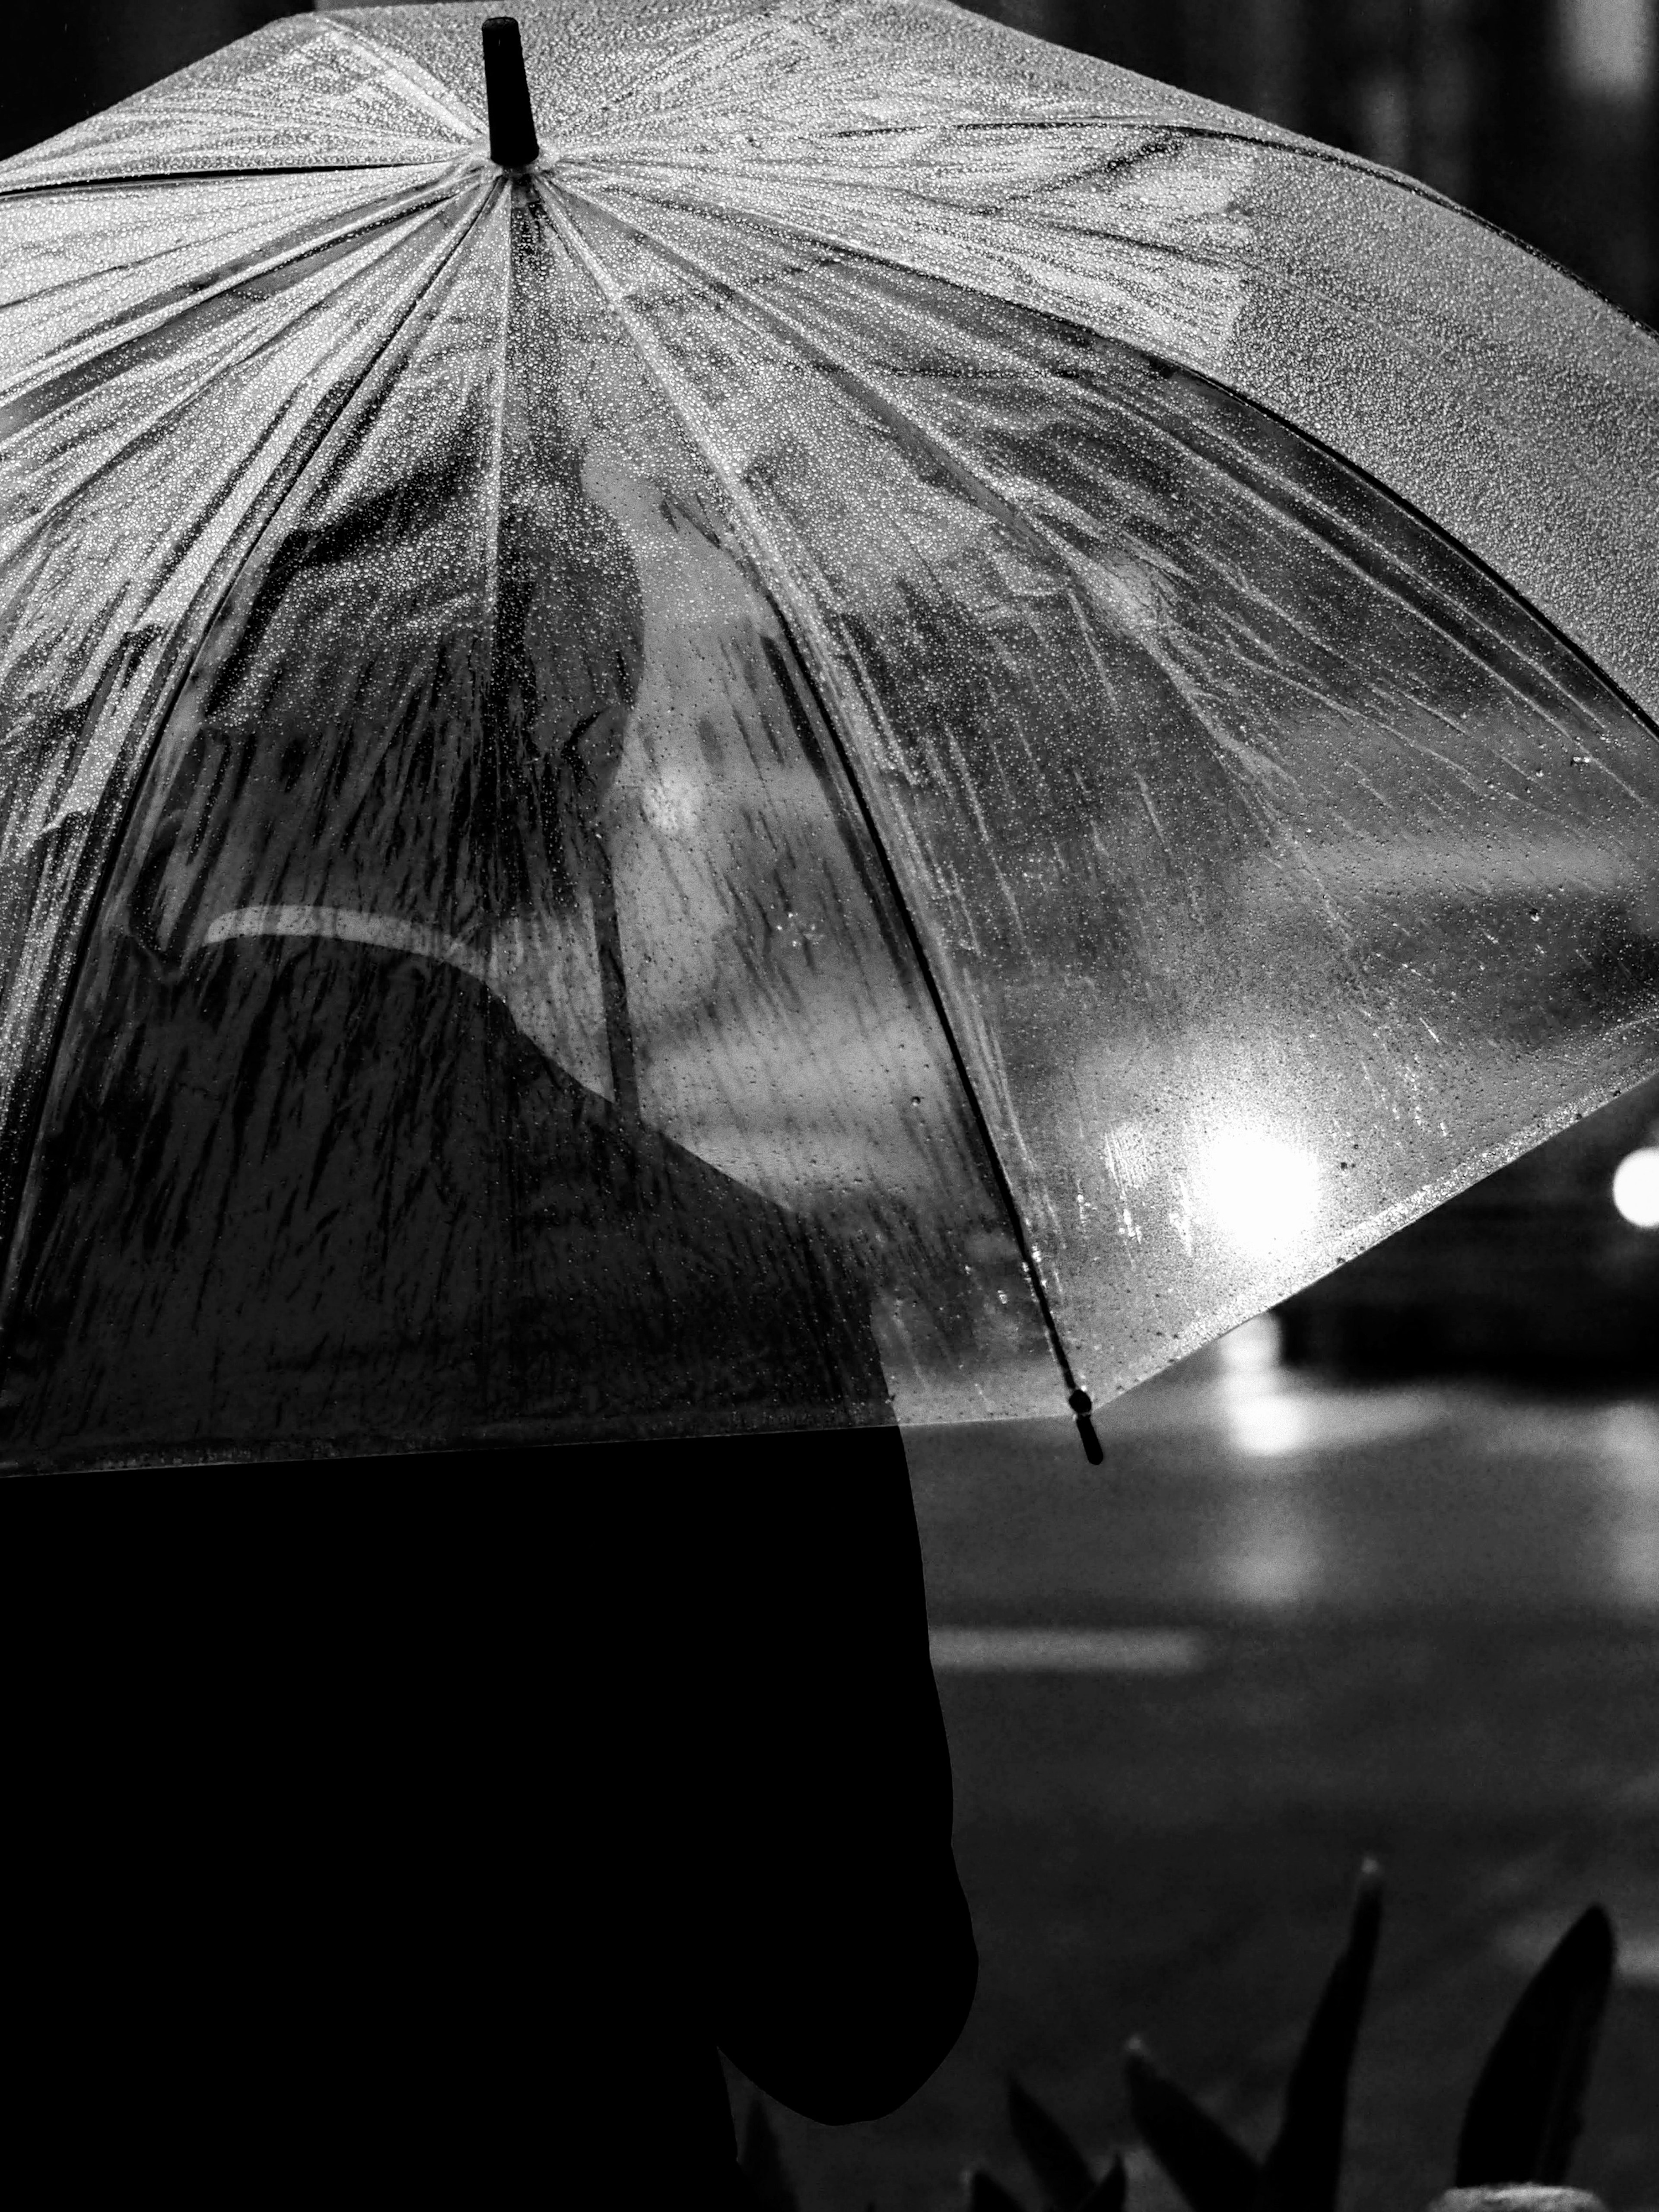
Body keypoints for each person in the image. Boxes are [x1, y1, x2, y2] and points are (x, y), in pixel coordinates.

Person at [0, 188, 975, 2202]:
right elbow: (856, 2005)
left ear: (214, 751)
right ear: (586, 769)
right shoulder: (712, 1287)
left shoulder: (32, 1213)